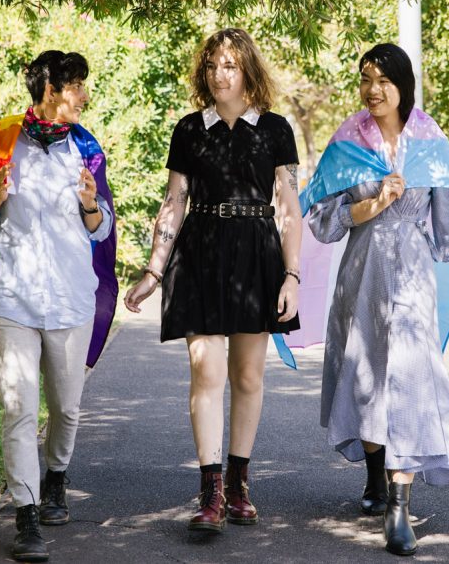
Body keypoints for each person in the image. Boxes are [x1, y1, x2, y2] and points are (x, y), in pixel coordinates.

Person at [304, 43, 449, 556]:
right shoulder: (348, 141)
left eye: (384, 79)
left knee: (408, 379)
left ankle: (398, 508)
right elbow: (324, 219)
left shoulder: (429, 140)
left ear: (403, 85)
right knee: (366, 380)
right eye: (366, 78)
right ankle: (374, 474)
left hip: (411, 279)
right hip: (360, 275)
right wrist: (373, 202)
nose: (373, 89)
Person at [123, 28, 302, 532]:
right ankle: (211, 493)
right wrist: (155, 268)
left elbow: (288, 206)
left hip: (257, 255)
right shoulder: (188, 129)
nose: (219, 75)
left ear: (247, 71)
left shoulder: (274, 129)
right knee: (207, 372)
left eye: (229, 66)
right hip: (199, 253)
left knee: (248, 376)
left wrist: (292, 276)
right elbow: (174, 201)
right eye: (212, 66)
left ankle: (240, 482)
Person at [0, 51, 114, 562]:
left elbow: (104, 226)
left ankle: (56, 481)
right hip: (10, 300)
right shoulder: (2, 142)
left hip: (70, 299)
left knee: (67, 407)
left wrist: (91, 205)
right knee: (19, 410)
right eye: (78, 86)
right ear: (51, 89)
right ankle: (25, 517)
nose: (85, 95)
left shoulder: (85, 148)